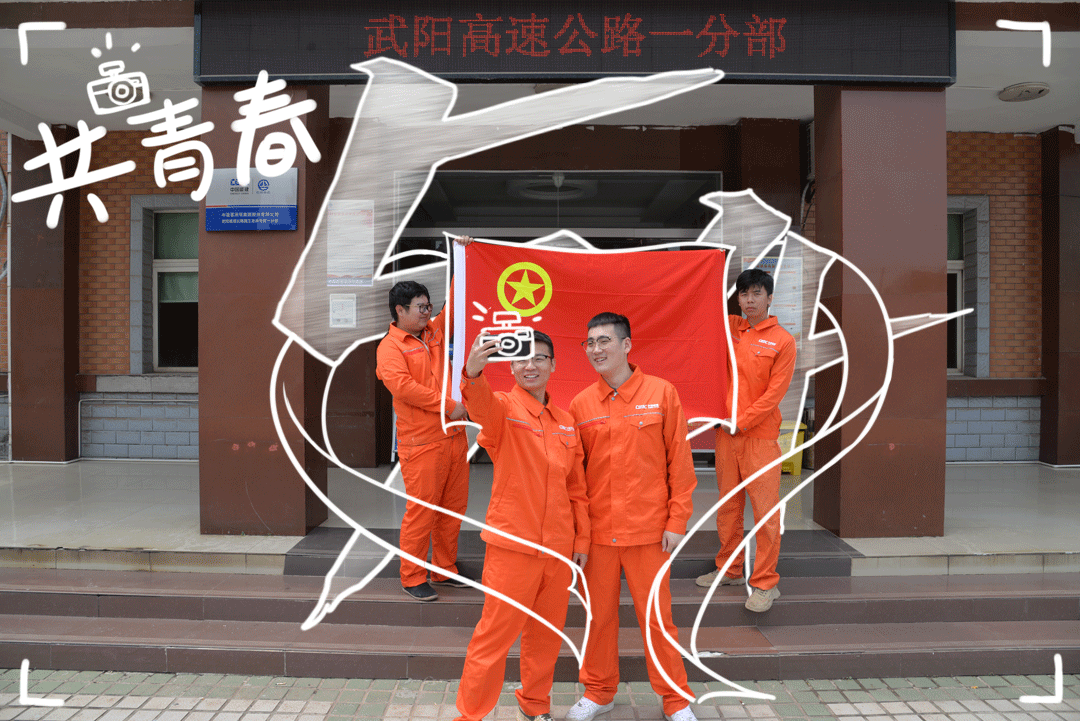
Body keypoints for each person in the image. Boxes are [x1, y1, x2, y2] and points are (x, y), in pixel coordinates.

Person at [567, 312, 698, 721]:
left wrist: (677, 521)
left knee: (658, 620)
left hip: (649, 533)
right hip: (599, 536)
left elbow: (681, 464)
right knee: (598, 620)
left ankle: (675, 700)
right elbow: (575, 480)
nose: (596, 349)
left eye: (604, 341)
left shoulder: (662, 393)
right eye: (590, 342)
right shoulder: (580, 404)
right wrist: (579, 537)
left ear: (626, 345)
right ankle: (599, 692)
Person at [455, 330, 590, 721]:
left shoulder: (566, 422)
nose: (530, 366)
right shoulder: (503, 409)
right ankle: (470, 715)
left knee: (545, 638)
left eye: (539, 358)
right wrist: (472, 373)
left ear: (553, 364)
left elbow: (577, 490)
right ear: (511, 367)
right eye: (522, 360)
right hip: (513, 547)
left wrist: (581, 540)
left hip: (557, 550)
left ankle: (535, 707)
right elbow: (480, 407)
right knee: (493, 638)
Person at [375, 236, 473, 602]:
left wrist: (462, 256)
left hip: (453, 438)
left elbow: (455, 304)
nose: (426, 312)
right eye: (420, 307)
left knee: (452, 509)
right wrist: (448, 406)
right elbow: (403, 388)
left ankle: (444, 569)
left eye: (428, 306)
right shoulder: (390, 348)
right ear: (399, 310)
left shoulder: (433, 332)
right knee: (422, 512)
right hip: (422, 443)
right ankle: (412, 575)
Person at [696, 268, 797, 613]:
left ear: (770, 298)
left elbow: (774, 394)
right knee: (728, 507)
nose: (749, 300)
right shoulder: (730, 328)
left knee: (766, 513)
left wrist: (741, 422)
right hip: (726, 437)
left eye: (756, 293)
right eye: (743, 294)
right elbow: (698, 315)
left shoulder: (782, 341)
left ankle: (766, 583)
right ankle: (731, 569)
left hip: (759, 438)